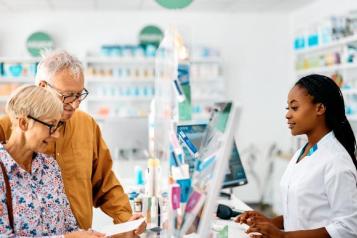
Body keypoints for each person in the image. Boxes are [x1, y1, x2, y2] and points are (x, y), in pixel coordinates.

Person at [0, 50, 145, 235]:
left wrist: (126, 222)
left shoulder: (83, 129)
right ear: (43, 86)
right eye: (68, 95)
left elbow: (105, 183)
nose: (76, 104)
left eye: (79, 95)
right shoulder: (7, 128)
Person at [236, 74, 357, 238]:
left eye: (294, 108)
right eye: (288, 109)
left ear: (320, 108)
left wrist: (283, 236)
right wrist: (271, 222)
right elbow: (304, 214)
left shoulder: (336, 161)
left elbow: (348, 229)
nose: (288, 115)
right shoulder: (305, 151)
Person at [0, 85, 104, 237]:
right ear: (23, 123)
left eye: (58, 126)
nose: (56, 135)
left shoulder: (50, 166)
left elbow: (69, 227)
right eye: (51, 126)